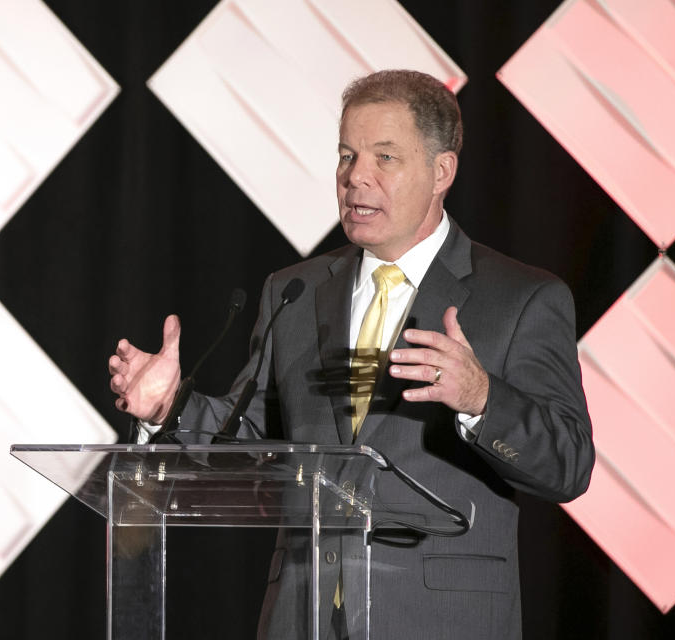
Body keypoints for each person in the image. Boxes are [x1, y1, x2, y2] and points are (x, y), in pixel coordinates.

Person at [109, 70, 594, 640]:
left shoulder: (520, 298)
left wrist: (481, 398)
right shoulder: (294, 290)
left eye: (385, 157)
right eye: (346, 155)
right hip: (303, 615)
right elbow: (256, 443)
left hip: (440, 621)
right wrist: (173, 409)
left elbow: (568, 464)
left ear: (442, 171)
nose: (356, 177)